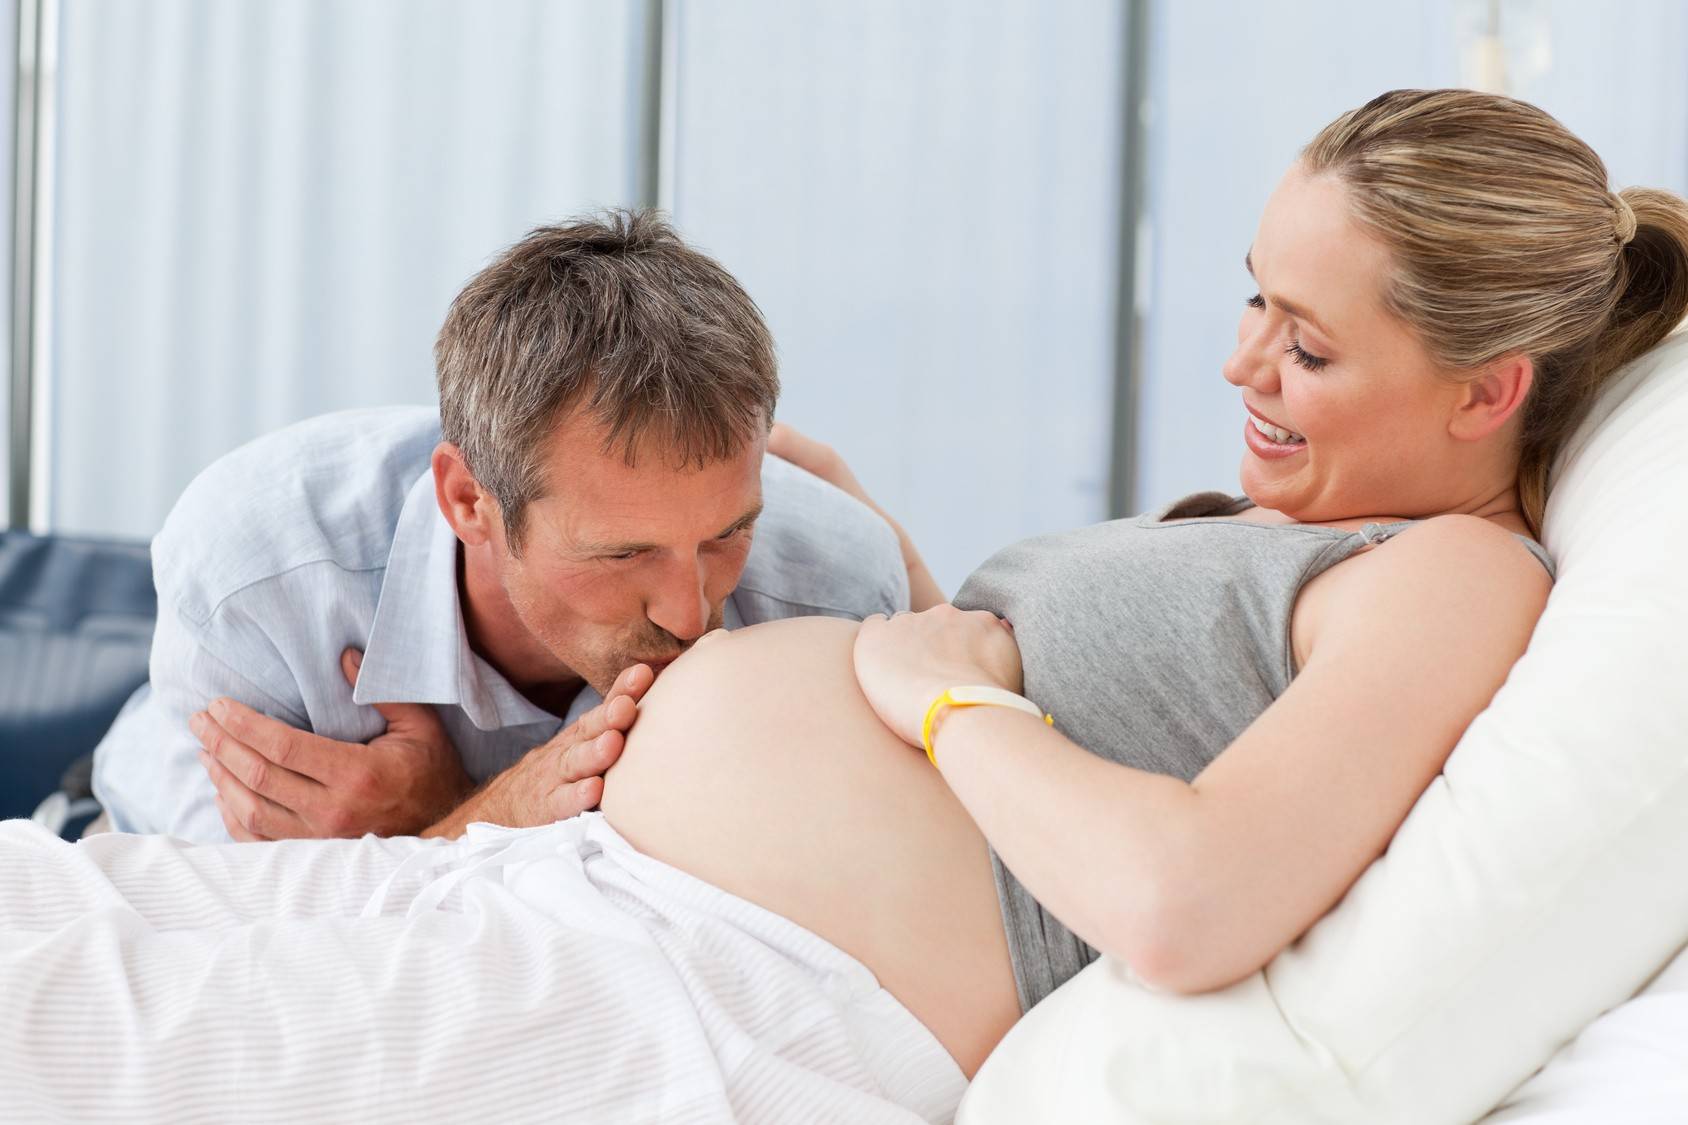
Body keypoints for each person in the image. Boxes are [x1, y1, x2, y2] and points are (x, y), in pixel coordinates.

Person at [9, 89, 1688, 1122]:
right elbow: (1062, 720)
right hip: (592, 900)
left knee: (79, 1039)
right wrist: (907, 594)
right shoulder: (1285, 536)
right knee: (55, 920)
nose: (1242, 362)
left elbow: (1181, 901)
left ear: (1488, 392)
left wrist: (943, 693)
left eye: (1307, 346)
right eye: (1253, 298)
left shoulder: (1457, 578)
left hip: (739, 1000)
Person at [89, 211, 910, 843]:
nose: (692, 614)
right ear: (468, 501)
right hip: (136, 829)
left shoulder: (834, 596)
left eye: (728, 533)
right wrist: (491, 816)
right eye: (624, 552)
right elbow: (233, 919)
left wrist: (448, 819)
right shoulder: (256, 574)